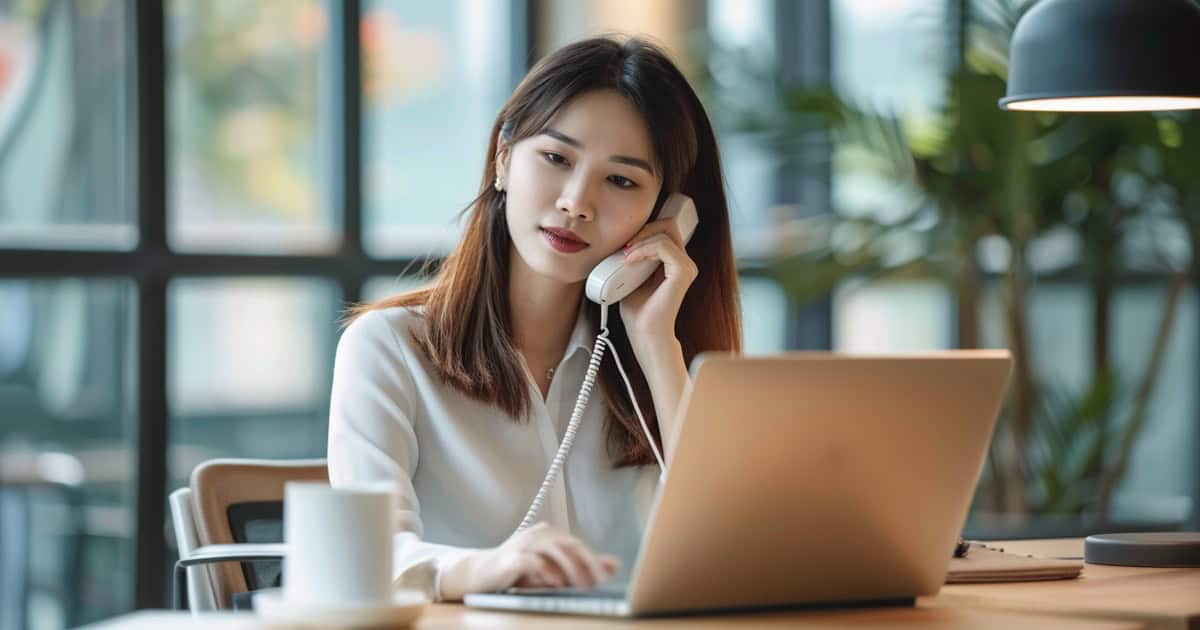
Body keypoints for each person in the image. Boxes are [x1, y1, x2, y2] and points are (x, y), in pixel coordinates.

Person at [328, 35, 741, 602]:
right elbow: (367, 555)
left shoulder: (651, 367)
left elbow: (731, 559)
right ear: (503, 160)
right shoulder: (388, 348)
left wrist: (657, 346)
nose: (577, 201)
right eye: (556, 158)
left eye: (621, 180)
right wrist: (489, 567)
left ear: (666, 216)